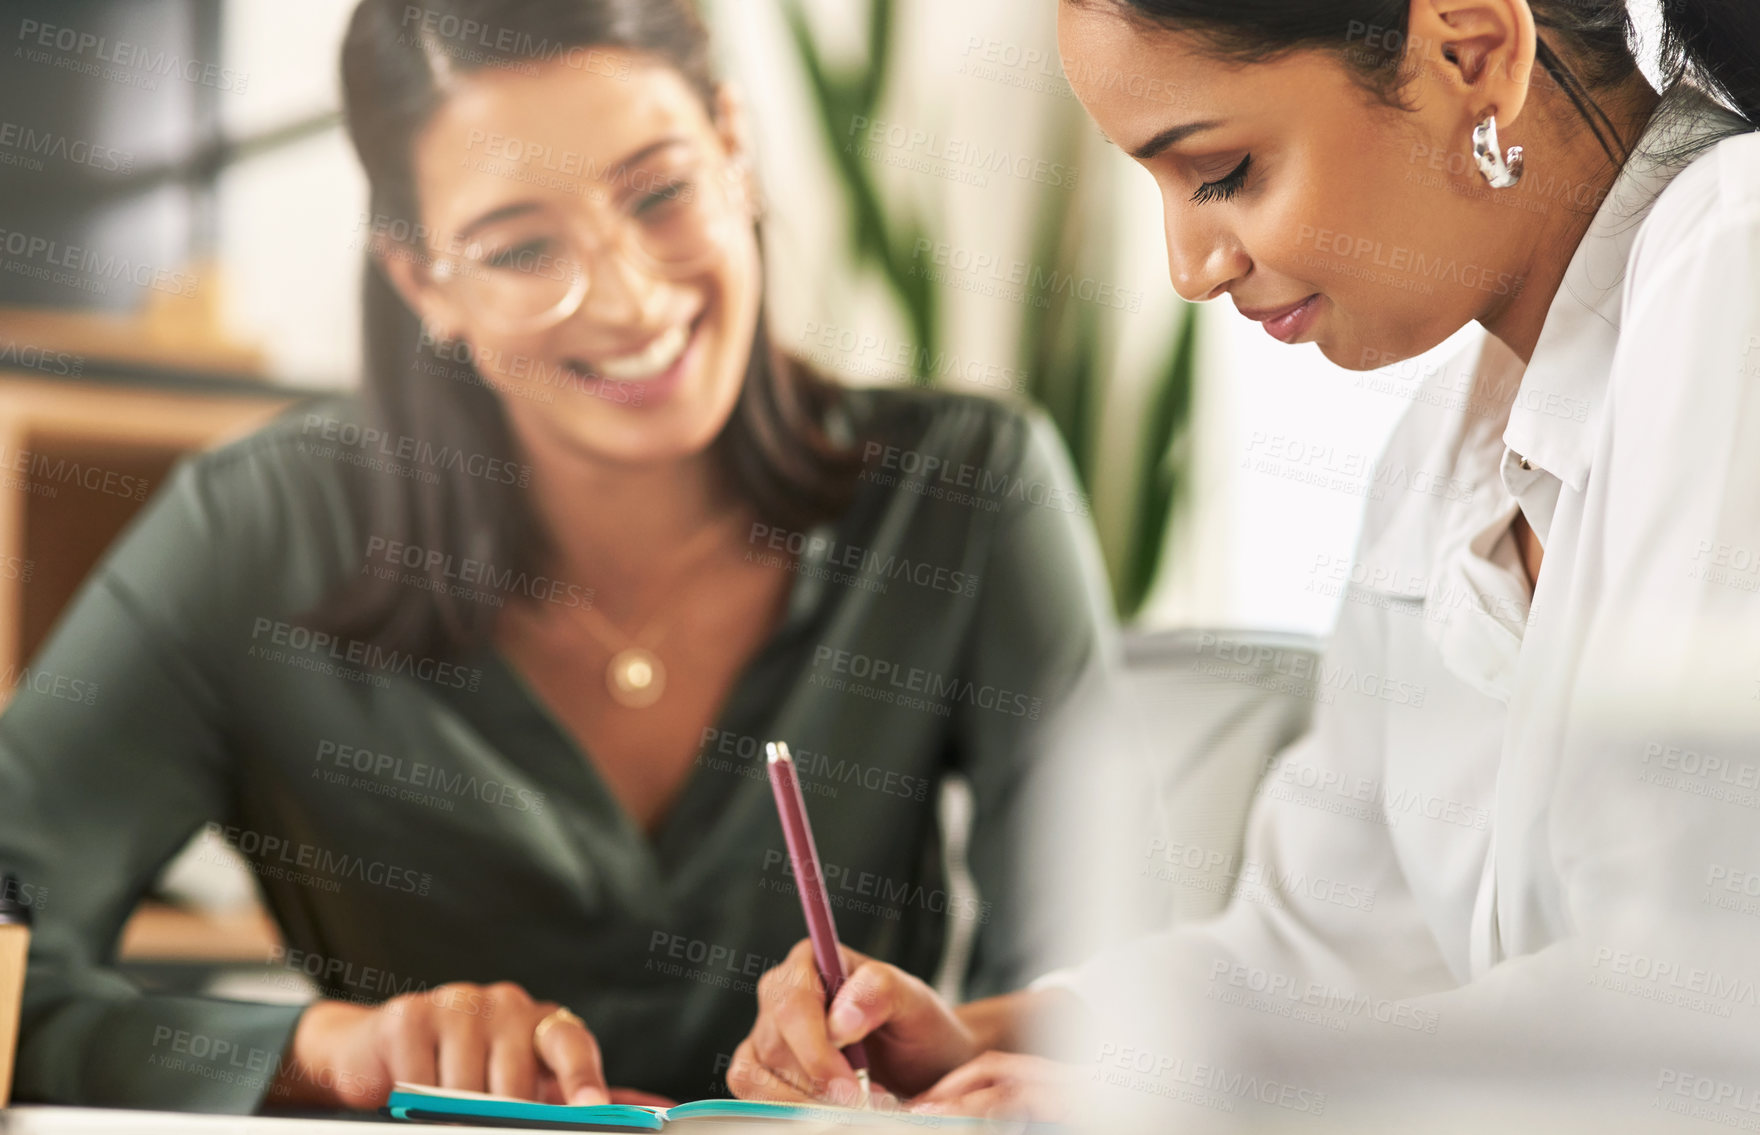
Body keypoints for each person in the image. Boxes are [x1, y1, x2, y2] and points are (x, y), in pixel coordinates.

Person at [0, 0, 1120, 1113]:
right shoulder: (254, 531)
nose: (630, 297)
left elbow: (1117, 991)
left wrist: (962, 1056)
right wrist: (334, 1051)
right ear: (423, 282)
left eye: (663, 192)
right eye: (523, 246)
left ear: (734, 152)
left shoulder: (965, 494)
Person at [729, 0, 1760, 1126]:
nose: (1188, 265)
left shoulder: (1733, 257)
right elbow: (1312, 944)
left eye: (1220, 172)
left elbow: (1694, 997)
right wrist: (969, 1038)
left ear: (1471, 51)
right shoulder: (1445, 453)